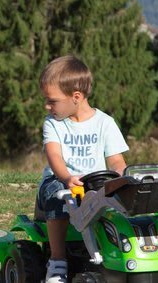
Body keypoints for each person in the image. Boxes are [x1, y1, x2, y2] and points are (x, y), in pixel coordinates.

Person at [37, 55, 129, 283]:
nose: (47, 106)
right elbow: (54, 156)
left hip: (95, 185)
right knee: (57, 194)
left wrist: (120, 176)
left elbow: (117, 161)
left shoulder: (105, 122)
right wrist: (67, 177)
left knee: (121, 198)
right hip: (61, 181)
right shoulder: (53, 123)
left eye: (52, 101)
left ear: (76, 97)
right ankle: (57, 262)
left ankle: (118, 254)